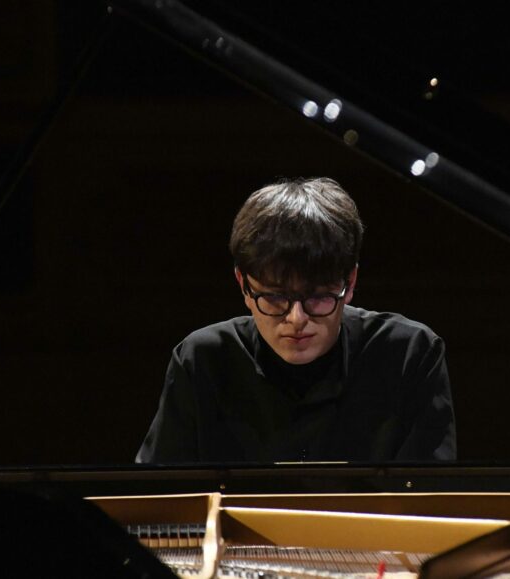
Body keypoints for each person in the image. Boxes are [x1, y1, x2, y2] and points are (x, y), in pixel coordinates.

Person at [136, 177, 456, 463]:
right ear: (243, 285)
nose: (296, 319)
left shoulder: (410, 354)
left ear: (350, 283)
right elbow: (158, 496)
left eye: (317, 297)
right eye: (275, 298)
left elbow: (430, 498)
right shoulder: (201, 360)